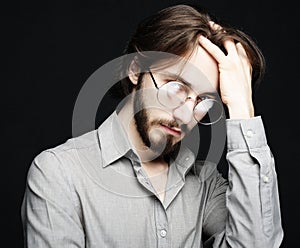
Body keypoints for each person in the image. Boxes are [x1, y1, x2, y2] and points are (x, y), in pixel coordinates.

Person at [21, 4, 284, 247]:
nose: (184, 114)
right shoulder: (59, 173)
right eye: (176, 87)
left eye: (204, 101)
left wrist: (241, 107)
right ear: (136, 70)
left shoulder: (205, 183)